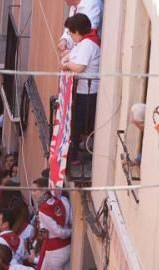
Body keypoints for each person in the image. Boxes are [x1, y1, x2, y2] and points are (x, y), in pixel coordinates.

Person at [61, 13, 100, 167]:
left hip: (87, 92)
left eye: (70, 33)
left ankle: (75, 156)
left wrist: (66, 64)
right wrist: (66, 61)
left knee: (78, 126)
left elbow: (78, 67)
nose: (70, 36)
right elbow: (67, 57)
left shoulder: (87, 45)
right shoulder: (83, 44)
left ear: (77, 31)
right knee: (76, 124)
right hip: (83, 91)